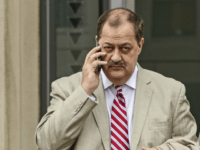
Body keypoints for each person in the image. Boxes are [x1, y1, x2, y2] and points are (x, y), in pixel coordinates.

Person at [35, 8, 199, 150]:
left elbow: (190, 144)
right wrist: (85, 91)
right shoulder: (67, 88)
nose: (115, 57)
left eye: (125, 48)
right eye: (108, 47)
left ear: (140, 45)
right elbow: (47, 144)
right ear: (97, 43)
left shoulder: (171, 91)